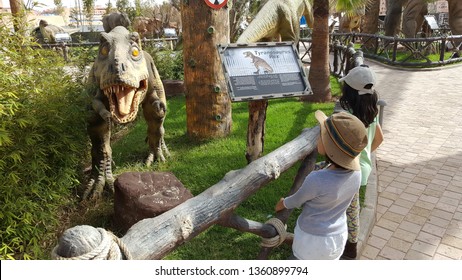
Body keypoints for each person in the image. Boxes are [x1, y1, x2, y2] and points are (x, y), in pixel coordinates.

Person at [275, 110, 368, 260]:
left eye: (321, 134)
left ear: (328, 146)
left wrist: (282, 203)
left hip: (311, 242)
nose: (318, 137)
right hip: (338, 238)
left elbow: (297, 200)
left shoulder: (316, 179)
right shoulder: (357, 175)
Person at [338, 65, 384, 259]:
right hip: (363, 169)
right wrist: (365, 156)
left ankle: (348, 245)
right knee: (353, 208)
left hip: (348, 169)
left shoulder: (347, 116)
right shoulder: (370, 113)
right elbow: (379, 139)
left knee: (347, 209)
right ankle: (352, 244)